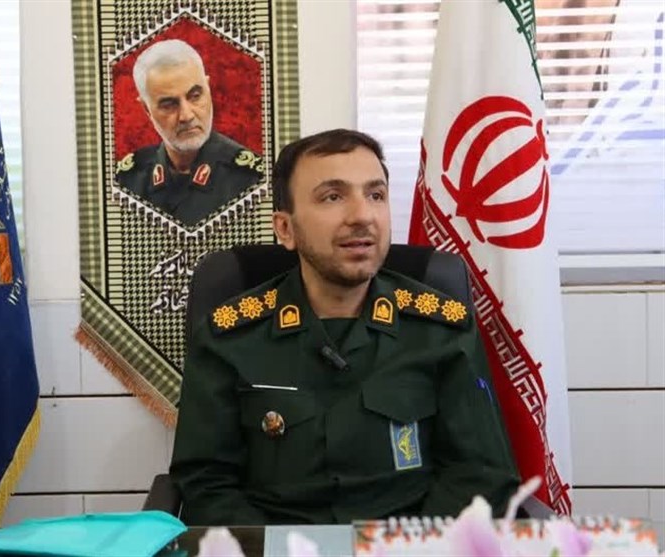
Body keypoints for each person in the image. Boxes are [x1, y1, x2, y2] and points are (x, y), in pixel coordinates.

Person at [169, 129, 520, 525]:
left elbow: (481, 474)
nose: (362, 216)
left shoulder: (442, 329)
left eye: (376, 195)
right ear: (285, 229)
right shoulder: (228, 337)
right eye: (333, 197)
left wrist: (409, 548)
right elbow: (206, 484)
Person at [115, 39, 264, 226]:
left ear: (208, 89)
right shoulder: (126, 181)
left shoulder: (252, 180)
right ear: (146, 109)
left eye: (195, 96)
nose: (186, 116)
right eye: (169, 104)